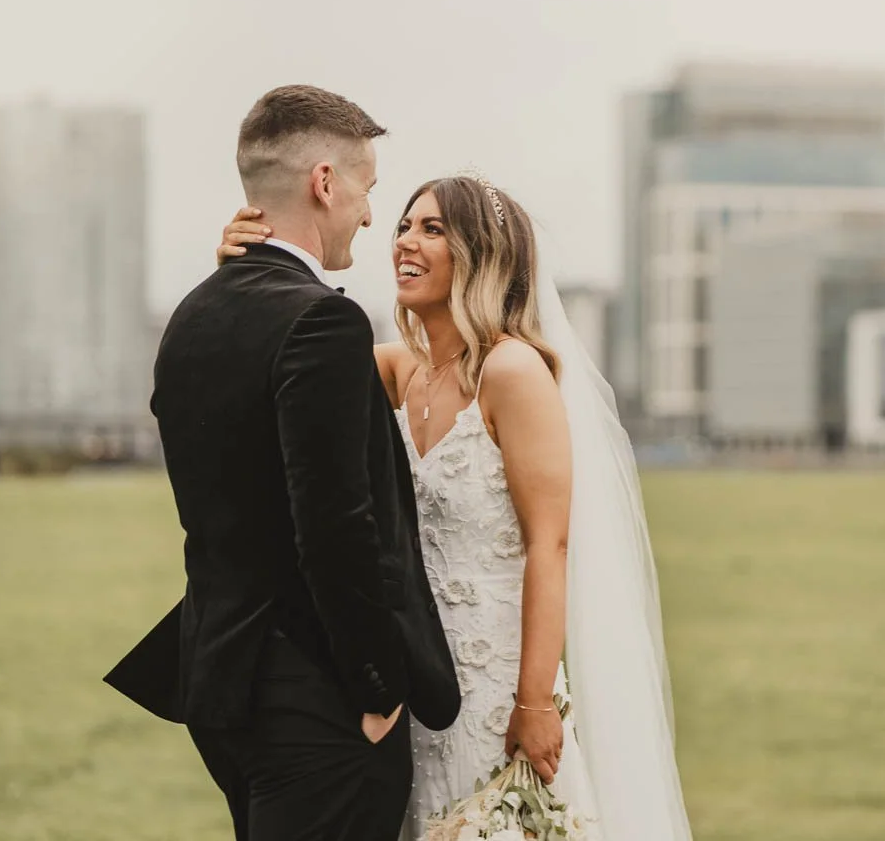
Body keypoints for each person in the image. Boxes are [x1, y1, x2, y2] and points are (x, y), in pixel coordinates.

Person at [216, 172, 694, 840]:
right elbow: (295, 354)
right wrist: (245, 270)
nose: (406, 241)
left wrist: (533, 704)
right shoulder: (399, 371)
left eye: (433, 229)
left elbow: (548, 545)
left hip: (498, 693)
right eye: (405, 226)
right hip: (419, 689)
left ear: (483, 253)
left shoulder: (513, 371)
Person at [105, 85, 460, 841]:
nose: (371, 215)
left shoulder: (192, 317)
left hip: (222, 681)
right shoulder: (322, 320)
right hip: (320, 699)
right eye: (368, 190)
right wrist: (375, 687)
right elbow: (333, 522)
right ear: (325, 183)